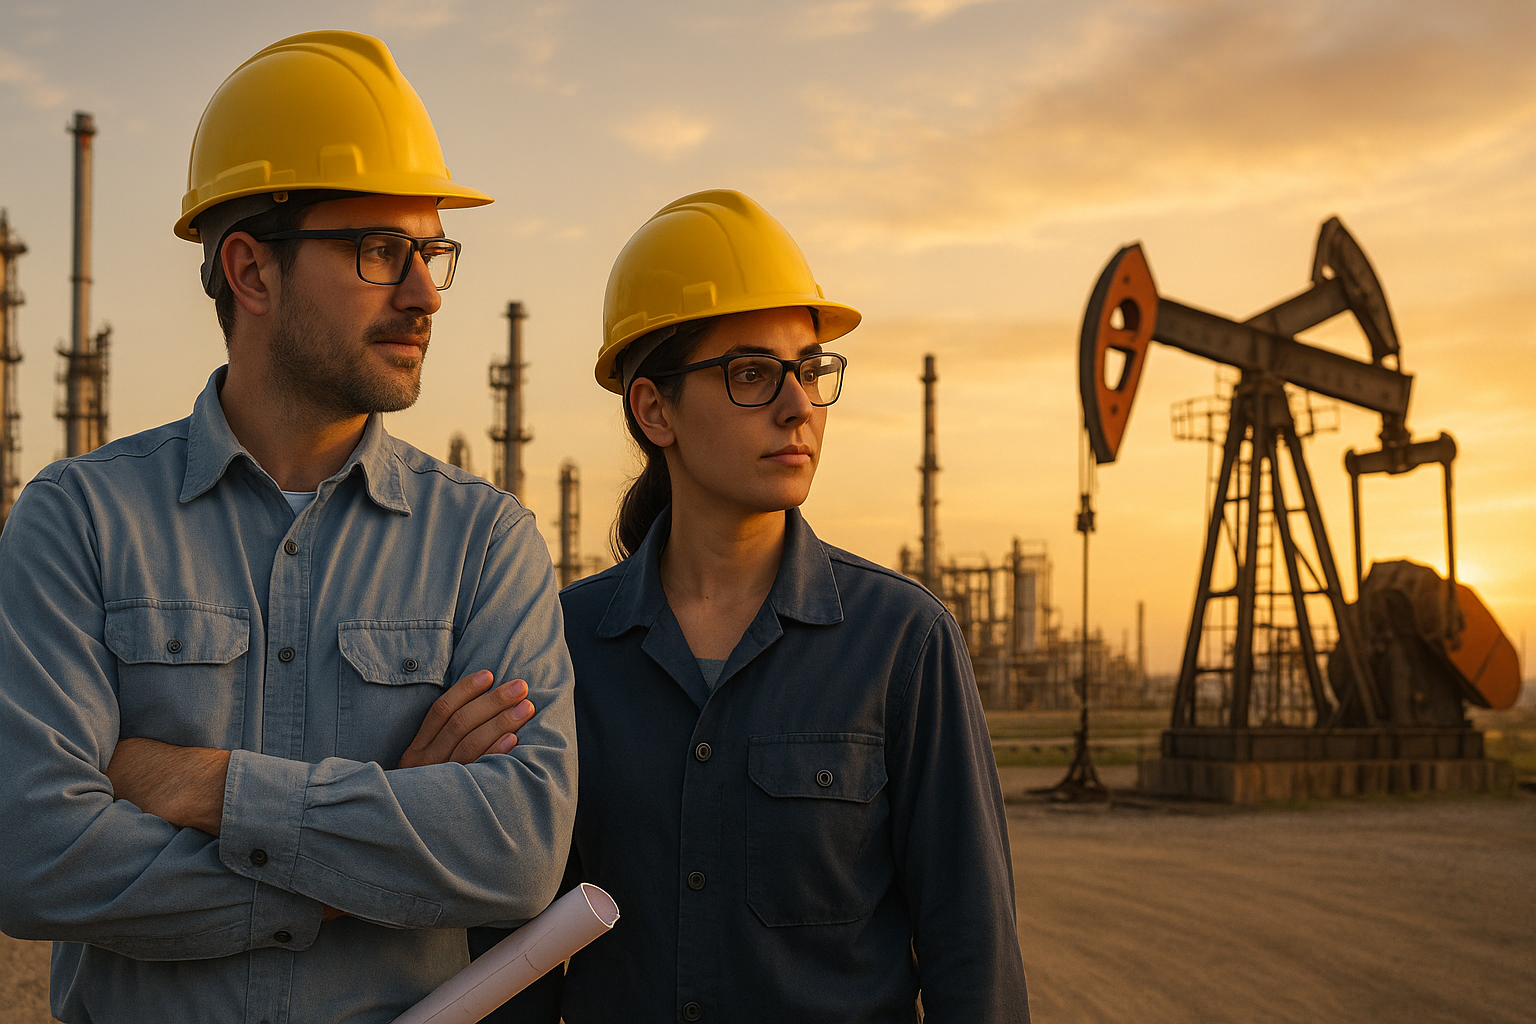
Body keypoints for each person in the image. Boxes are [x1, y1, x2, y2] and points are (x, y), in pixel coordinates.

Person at [0, 31, 576, 1024]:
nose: (426, 293)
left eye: (432, 250)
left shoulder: (484, 543)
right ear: (252, 272)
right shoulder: (79, 520)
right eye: (380, 250)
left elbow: (515, 850)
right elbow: (33, 854)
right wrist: (380, 828)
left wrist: (206, 785)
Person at [495, 190, 1029, 1022]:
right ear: (653, 409)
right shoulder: (561, 649)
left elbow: (973, 955)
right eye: (752, 374)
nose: (799, 406)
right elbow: (518, 956)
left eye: (811, 370)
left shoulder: (903, 644)